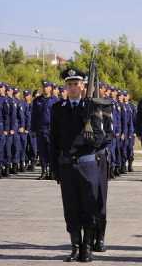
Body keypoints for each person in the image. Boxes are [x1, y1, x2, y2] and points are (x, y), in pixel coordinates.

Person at [51, 68, 112, 262]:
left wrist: (93, 134)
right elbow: (53, 140)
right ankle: (75, 246)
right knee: (71, 208)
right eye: (69, 84)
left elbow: (106, 137)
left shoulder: (93, 106)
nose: (73, 87)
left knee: (89, 206)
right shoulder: (58, 108)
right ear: (65, 87)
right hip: (67, 165)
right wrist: (55, 168)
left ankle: (87, 247)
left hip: (88, 165)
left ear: (83, 86)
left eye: (76, 84)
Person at [32, 80, 57, 180]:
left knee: (51, 151)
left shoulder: (55, 100)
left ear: (50, 88)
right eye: (44, 87)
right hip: (40, 129)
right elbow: (34, 116)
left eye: (47, 87)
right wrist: (33, 129)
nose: (45, 88)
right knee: (42, 152)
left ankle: (51, 172)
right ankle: (43, 171)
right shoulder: (37, 100)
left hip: (51, 130)